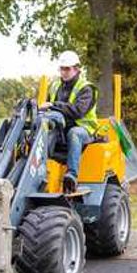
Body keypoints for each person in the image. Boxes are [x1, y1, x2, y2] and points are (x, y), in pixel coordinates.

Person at [40, 50, 98, 193]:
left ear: (77, 68)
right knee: (40, 132)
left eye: (67, 69)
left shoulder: (86, 88)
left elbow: (78, 111)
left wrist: (54, 105)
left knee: (74, 133)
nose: (64, 72)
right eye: (62, 69)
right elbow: (47, 108)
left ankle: (71, 175)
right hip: (60, 129)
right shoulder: (54, 86)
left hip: (84, 130)